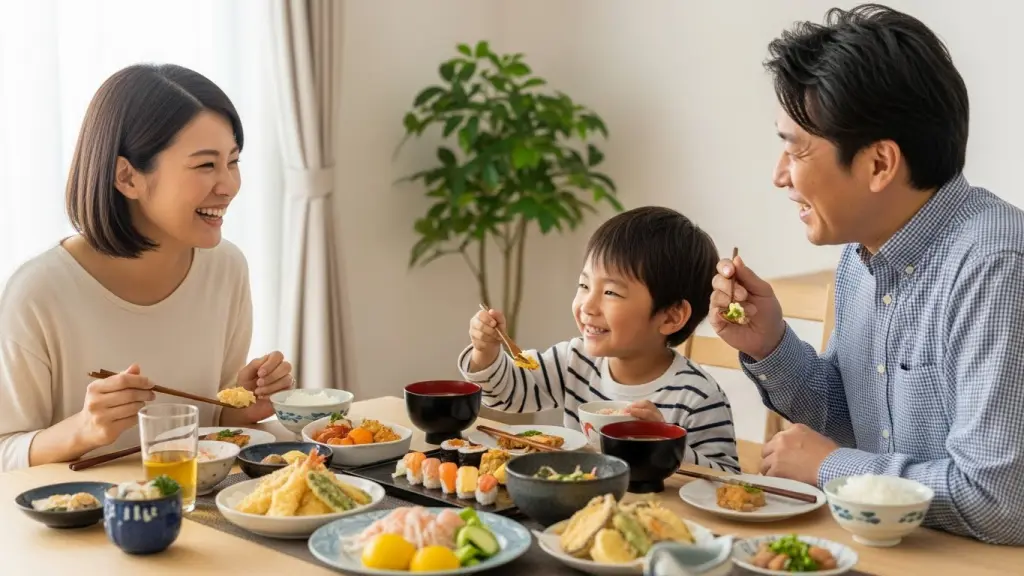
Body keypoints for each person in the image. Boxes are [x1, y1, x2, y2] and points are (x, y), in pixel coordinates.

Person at [711, 4, 1024, 545]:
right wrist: (770, 346)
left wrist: (833, 469)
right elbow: (856, 423)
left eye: (795, 147)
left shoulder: (995, 269)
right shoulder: (864, 256)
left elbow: (1000, 500)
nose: (779, 174)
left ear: (879, 164)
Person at [0, 64, 294, 472]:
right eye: (206, 165)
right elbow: (4, 451)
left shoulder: (225, 268)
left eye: (233, 161)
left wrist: (240, 406)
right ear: (128, 177)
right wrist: (84, 429)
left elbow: (210, 430)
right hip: (84, 524)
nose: (227, 185)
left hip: (196, 508)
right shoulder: (38, 292)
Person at [460, 206, 740, 473]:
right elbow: (507, 395)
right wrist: (486, 350)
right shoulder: (574, 361)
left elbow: (726, 479)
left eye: (611, 293)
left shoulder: (697, 396)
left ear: (670, 317)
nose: (587, 306)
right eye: (584, 285)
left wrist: (666, 443)